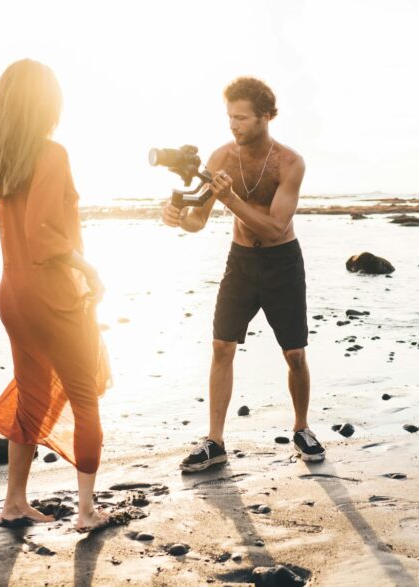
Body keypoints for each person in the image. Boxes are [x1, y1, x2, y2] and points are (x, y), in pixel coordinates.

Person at [162, 76, 325, 472]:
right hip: (241, 262)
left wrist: (231, 198)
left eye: (242, 118)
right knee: (221, 346)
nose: (233, 125)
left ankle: (301, 428)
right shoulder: (220, 158)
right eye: (229, 117)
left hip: (282, 261)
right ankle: (214, 441)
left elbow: (274, 227)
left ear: (266, 117)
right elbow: (198, 220)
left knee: (295, 354)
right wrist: (178, 218)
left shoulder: (290, 163)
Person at [0, 59, 113, 532]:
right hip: (50, 292)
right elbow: (43, 237)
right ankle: (87, 512)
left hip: (12, 294)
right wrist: (86, 267)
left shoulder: (4, 161)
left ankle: (14, 502)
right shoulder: (51, 154)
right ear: (45, 104)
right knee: (85, 394)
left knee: (32, 395)